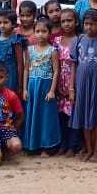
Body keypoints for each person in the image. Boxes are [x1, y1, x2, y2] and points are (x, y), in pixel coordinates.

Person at [71, 8, 97, 163]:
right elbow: (74, 65)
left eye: (92, 24)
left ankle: (96, 151)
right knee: (83, 116)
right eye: (86, 24)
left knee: (96, 118)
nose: (89, 27)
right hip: (81, 84)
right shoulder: (78, 40)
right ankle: (88, 149)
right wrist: (71, 88)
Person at [22, 21, 60, 156]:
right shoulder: (29, 50)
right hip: (32, 86)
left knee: (46, 117)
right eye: (37, 31)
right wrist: (24, 89)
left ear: (49, 33)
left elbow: (56, 71)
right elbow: (26, 69)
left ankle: (46, 147)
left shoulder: (53, 50)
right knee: (32, 115)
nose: (40, 34)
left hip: (46, 87)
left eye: (44, 31)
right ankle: (32, 145)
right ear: (34, 32)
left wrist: (52, 91)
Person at [53, 8, 80, 157]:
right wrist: (57, 86)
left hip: (74, 81)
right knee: (61, 115)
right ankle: (62, 144)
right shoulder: (57, 41)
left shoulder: (80, 39)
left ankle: (73, 145)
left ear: (76, 22)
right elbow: (55, 64)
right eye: (63, 21)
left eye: (69, 21)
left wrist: (73, 86)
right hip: (60, 81)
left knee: (73, 115)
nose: (66, 24)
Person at [0, 10, 25, 96]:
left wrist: (20, 85)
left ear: (13, 24)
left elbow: (20, 64)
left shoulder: (16, 40)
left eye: (6, 22)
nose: (2, 25)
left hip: (10, 75)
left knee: (9, 98)